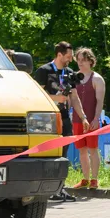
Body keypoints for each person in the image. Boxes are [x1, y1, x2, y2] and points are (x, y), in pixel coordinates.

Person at [32, 41, 81, 202]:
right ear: (59, 55)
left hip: (64, 117)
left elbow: (74, 97)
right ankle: (44, 188)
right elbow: (36, 95)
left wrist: (83, 117)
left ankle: (60, 188)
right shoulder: (44, 71)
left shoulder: (70, 72)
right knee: (49, 154)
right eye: (68, 56)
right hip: (46, 119)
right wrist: (55, 98)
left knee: (63, 154)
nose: (70, 60)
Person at [71, 47, 106, 189]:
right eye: (78, 60)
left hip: (92, 119)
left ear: (91, 61)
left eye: (84, 60)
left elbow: (100, 101)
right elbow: (70, 98)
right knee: (82, 150)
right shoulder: (74, 77)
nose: (80, 63)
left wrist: (96, 118)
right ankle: (85, 179)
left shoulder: (97, 78)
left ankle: (94, 180)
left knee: (93, 149)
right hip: (77, 120)